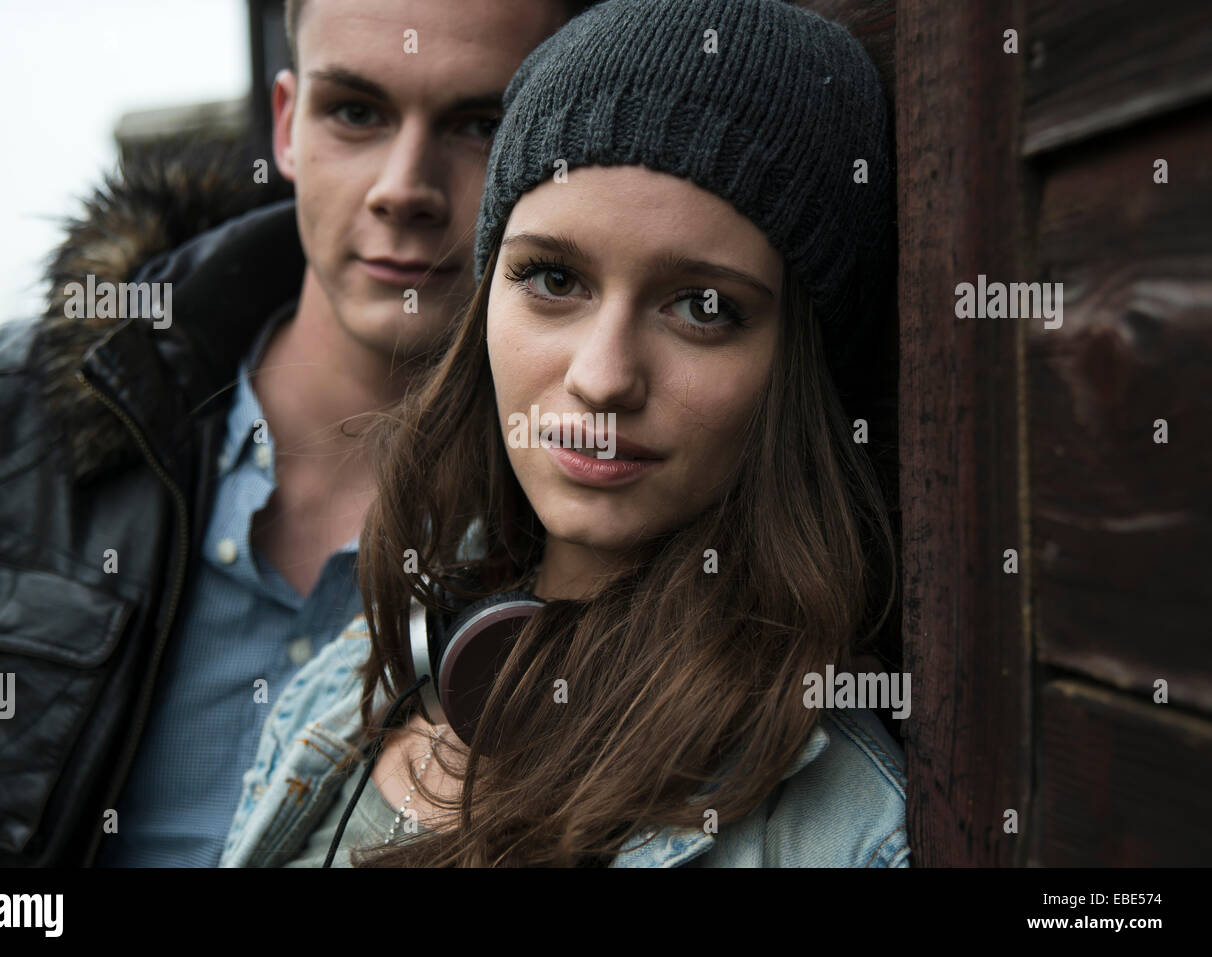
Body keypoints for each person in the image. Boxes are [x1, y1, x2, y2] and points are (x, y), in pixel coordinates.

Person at [222, 0, 909, 868]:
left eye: (703, 306)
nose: (602, 374)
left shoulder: (832, 828)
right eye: (553, 278)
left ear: (798, 368)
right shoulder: (352, 679)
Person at [0, 0, 593, 866]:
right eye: (355, 111)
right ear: (287, 124)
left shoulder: (601, 514)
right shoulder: (11, 415)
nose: (403, 188)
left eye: (479, 124)